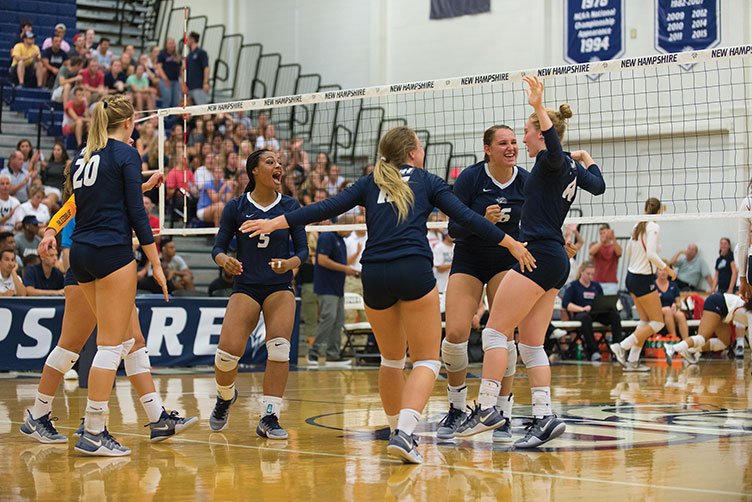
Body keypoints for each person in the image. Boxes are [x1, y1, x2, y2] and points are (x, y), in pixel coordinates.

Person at [240, 126, 534, 463]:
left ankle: (397, 430)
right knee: (426, 359)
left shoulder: (370, 180)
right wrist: (509, 240)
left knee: (391, 360)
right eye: (420, 148)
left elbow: (324, 208)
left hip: (374, 274)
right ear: (412, 153)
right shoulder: (426, 180)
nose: (422, 153)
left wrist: (275, 222)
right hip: (412, 269)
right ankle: (405, 433)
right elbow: (466, 218)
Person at [455, 76, 605, 449]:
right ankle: (544, 416)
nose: (522, 140)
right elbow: (598, 186)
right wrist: (589, 159)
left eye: (526, 132)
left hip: (538, 253)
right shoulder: (569, 165)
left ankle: (488, 407)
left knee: (493, 332)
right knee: (532, 345)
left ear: (542, 133)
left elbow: (553, 148)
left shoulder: (553, 161)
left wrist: (539, 106)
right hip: (555, 257)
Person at [24, 167, 196, 445]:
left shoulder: (103, 193)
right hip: (88, 274)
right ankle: (56, 417)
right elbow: (69, 246)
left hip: (113, 271)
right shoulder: (83, 201)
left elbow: (117, 192)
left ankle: (157, 418)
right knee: (73, 347)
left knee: (135, 342)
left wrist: (145, 185)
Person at [65, 94, 169, 456]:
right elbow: (138, 216)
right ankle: (93, 431)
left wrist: (138, 186)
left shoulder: (83, 155)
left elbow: (100, 199)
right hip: (112, 252)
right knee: (110, 346)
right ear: (130, 123)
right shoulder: (126, 153)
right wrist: (155, 263)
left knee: (122, 340)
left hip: (80, 252)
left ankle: (155, 417)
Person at [436, 124, 528, 442]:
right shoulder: (471, 178)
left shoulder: (527, 181)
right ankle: (457, 408)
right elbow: (453, 230)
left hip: (505, 261)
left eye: (514, 142)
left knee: (503, 335)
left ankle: (502, 411)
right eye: (503, 143)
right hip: (470, 258)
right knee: (456, 334)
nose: (511, 147)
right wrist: (480, 221)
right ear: (488, 149)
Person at [208, 149, 308, 440]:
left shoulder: (290, 205)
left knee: (278, 348)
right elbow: (218, 247)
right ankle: (225, 396)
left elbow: (303, 250)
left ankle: (269, 415)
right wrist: (223, 260)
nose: (279, 166)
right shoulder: (236, 207)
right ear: (254, 171)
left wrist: (289, 263)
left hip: (279, 286)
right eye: (271, 162)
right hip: (246, 286)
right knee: (227, 355)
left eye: (279, 163)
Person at [610, 198, 676, 372]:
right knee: (658, 322)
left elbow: (630, 251)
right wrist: (668, 270)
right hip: (642, 279)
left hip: (631, 276)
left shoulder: (637, 224)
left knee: (645, 321)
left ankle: (632, 362)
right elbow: (652, 255)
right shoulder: (653, 227)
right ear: (659, 211)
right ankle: (622, 346)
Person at [309, 216, 357, 366]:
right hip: (326, 286)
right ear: (343, 224)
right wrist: (345, 269)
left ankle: (333, 355)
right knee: (328, 318)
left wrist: (351, 267)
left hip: (337, 287)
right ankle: (314, 353)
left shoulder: (340, 240)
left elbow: (341, 262)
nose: (351, 233)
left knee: (338, 321)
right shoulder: (327, 236)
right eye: (350, 228)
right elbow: (322, 260)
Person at [665, 293, 751, 366]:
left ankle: (689, 351)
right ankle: (673, 348)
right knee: (702, 338)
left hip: (726, 313)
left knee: (724, 343)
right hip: (717, 303)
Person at [561, 261, 623, 361]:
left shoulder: (596, 286)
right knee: (586, 318)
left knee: (614, 316)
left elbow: (601, 300)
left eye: (592, 274)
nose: (590, 276)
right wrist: (582, 309)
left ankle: (617, 348)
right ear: (581, 272)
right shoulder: (573, 286)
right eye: (588, 274)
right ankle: (594, 351)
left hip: (596, 312)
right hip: (581, 313)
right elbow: (566, 304)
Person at [655, 267, 689, 341]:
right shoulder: (653, 285)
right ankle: (674, 339)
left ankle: (687, 342)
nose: (663, 272)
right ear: (657, 271)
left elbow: (678, 302)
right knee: (667, 310)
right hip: (657, 311)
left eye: (665, 270)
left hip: (671, 310)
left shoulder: (673, 285)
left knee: (680, 315)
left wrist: (675, 305)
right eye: (661, 270)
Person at [197, 159, 232, 227]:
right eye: (216, 172)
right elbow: (215, 200)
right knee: (220, 206)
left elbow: (228, 201)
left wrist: (232, 188)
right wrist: (225, 186)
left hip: (218, 210)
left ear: (223, 174)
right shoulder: (209, 184)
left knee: (226, 208)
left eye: (220, 172)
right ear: (213, 174)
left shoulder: (224, 184)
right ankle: (218, 234)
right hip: (203, 210)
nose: (218, 174)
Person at [589, 223, 622, 295]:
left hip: (611, 283)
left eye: (604, 233)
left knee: (608, 305)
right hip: (596, 282)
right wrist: (601, 241)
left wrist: (613, 238)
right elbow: (591, 252)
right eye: (601, 233)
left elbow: (619, 253)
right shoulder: (596, 246)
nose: (602, 235)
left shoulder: (614, 247)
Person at [186, 31, 210, 105]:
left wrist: (205, 82)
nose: (186, 42)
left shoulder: (201, 53)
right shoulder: (189, 55)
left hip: (199, 86)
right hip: (190, 87)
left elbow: (206, 68)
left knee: (202, 108)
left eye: (187, 40)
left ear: (192, 40)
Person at [157, 38, 182, 108]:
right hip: (165, 81)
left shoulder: (177, 55)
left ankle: (174, 118)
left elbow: (181, 69)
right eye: (169, 43)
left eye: (173, 43)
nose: (171, 45)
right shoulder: (162, 54)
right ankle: (165, 118)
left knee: (176, 101)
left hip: (176, 81)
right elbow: (159, 67)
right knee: (167, 99)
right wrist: (165, 79)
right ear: (166, 45)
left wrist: (183, 82)